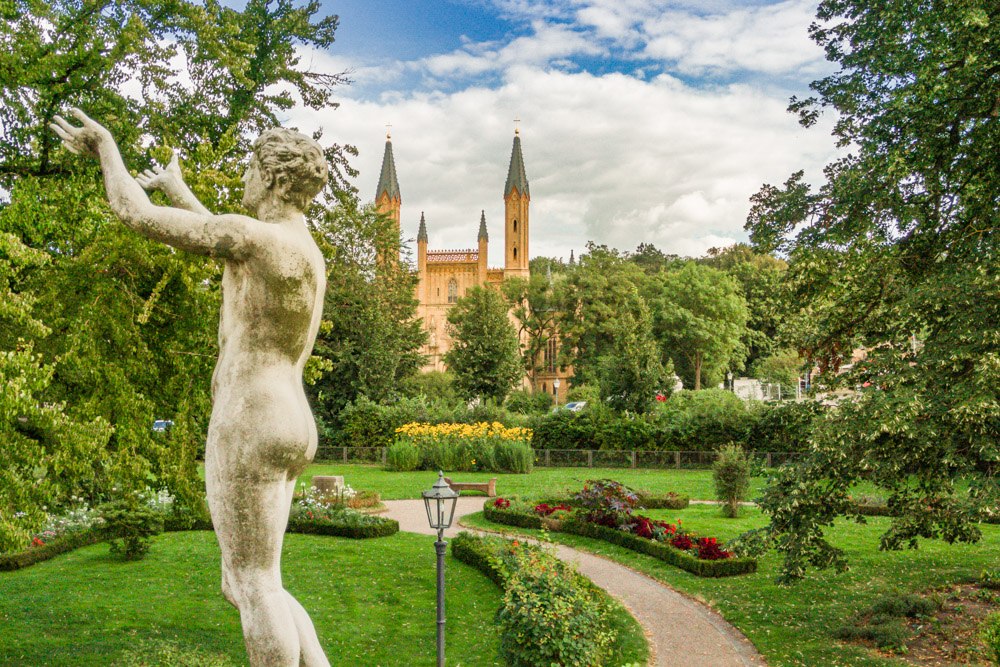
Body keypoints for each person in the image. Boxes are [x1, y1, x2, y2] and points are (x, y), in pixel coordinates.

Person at [51, 109, 330, 667]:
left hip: (250, 417)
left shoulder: (255, 238)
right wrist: (182, 191)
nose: (243, 178)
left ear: (274, 179)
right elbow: (229, 246)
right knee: (257, 581)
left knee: (251, 585)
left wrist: (106, 146)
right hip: (291, 417)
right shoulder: (300, 250)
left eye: (249, 168)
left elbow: (134, 213)